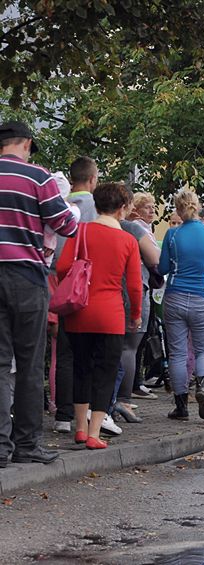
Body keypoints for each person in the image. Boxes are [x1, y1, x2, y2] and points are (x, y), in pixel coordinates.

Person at [0, 121, 78, 465]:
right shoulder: (39, 177)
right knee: (30, 364)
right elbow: (67, 225)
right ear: (27, 144)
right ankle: (27, 445)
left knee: (0, 365)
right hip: (27, 277)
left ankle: (0, 448)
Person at [57, 182, 142, 450]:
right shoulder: (128, 240)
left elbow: (61, 267)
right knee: (105, 373)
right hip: (111, 315)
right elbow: (134, 286)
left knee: (80, 368)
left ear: (96, 204)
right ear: (122, 208)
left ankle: (79, 429)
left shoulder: (79, 232)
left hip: (79, 312)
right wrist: (136, 315)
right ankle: (94, 433)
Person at [158, 189, 204, 420]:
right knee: (203, 349)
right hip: (203, 296)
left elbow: (162, 269)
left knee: (178, 352)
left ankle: (181, 406)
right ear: (198, 208)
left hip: (175, 296)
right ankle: (203, 385)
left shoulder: (172, 235)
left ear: (178, 209)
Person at [50, 156, 99, 434]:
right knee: (89, 353)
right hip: (88, 285)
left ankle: (63, 414)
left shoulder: (58, 205)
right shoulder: (97, 208)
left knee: (63, 352)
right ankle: (89, 412)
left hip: (60, 282)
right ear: (92, 179)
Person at [111, 201, 163, 423]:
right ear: (126, 206)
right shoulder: (132, 228)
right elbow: (155, 260)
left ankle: (105, 401)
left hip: (104, 291)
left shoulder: (92, 225)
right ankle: (123, 400)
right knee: (129, 348)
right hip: (132, 291)